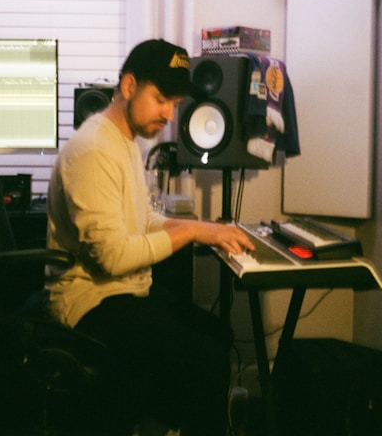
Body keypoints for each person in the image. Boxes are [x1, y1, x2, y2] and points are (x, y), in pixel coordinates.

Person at [44, 39, 255, 435]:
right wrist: (191, 230)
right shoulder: (93, 150)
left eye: (174, 104)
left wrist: (205, 229)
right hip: (88, 302)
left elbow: (141, 219)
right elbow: (113, 257)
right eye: (161, 99)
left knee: (217, 334)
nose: (168, 114)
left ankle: (176, 420)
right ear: (128, 86)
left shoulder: (123, 141)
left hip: (120, 293)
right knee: (205, 357)